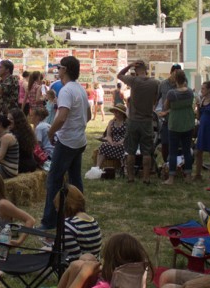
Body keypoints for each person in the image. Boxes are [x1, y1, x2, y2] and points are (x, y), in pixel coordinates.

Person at [40, 56, 87, 229]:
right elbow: (87, 115)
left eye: (59, 67)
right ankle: (80, 216)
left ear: (65, 70)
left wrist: (50, 133)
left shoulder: (66, 91)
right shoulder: (80, 89)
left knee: (54, 180)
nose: (57, 70)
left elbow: (61, 117)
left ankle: (49, 221)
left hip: (67, 141)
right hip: (79, 140)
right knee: (75, 180)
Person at [117, 59, 160, 184]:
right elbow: (156, 99)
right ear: (146, 70)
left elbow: (119, 75)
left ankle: (131, 177)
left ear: (136, 70)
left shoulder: (133, 81)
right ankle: (146, 178)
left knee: (131, 150)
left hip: (133, 121)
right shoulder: (155, 83)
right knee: (147, 151)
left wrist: (129, 65)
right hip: (147, 121)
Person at [162, 69, 195, 184]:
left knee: (173, 151)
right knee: (187, 150)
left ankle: (171, 178)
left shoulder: (172, 93)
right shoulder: (190, 92)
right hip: (187, 122)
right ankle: (188, 176)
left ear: (175, 79)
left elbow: (166, 107)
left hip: (175, 123)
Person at [56, 185, 102, 262]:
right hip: (94, 266)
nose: (57, 211)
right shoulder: (93, 221)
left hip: (77, 269)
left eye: (57, 208)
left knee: (44, 250)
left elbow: (73, 259)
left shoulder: (68, 226)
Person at [95, 104, 128, 168]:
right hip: (112, 142)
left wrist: (120, 142)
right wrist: (111, 142)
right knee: (103, 146)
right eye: (114, 111)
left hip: (124, 142)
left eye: (117, 111)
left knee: (123, 148)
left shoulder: (127, 123)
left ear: (122, 113)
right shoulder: (111, 122)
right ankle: (97, 167)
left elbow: (127, 136)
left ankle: (123, 167)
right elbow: (109, 135)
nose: (115, 113)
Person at [8, 107, 39, 174]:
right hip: (31, 164)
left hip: (21, 165)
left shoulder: (14, 135)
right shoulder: (26, 131)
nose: (8, 121)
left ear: (17, 121)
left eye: (11, 119)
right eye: (7, 118)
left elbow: (4, 155)